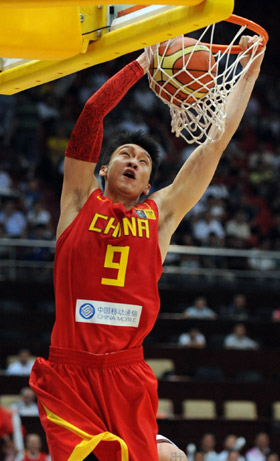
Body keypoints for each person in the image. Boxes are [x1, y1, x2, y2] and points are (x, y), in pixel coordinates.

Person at [29, 35, 265, 461]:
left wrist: (249, 73)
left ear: (148, 185)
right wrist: (143, 63)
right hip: (71, 370)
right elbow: (92, 113)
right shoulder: (78, 201)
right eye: (125, 153)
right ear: (104, 168)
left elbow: (215, 142)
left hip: (127, 372)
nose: (134, 160)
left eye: (142, 161)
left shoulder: (161, 216)